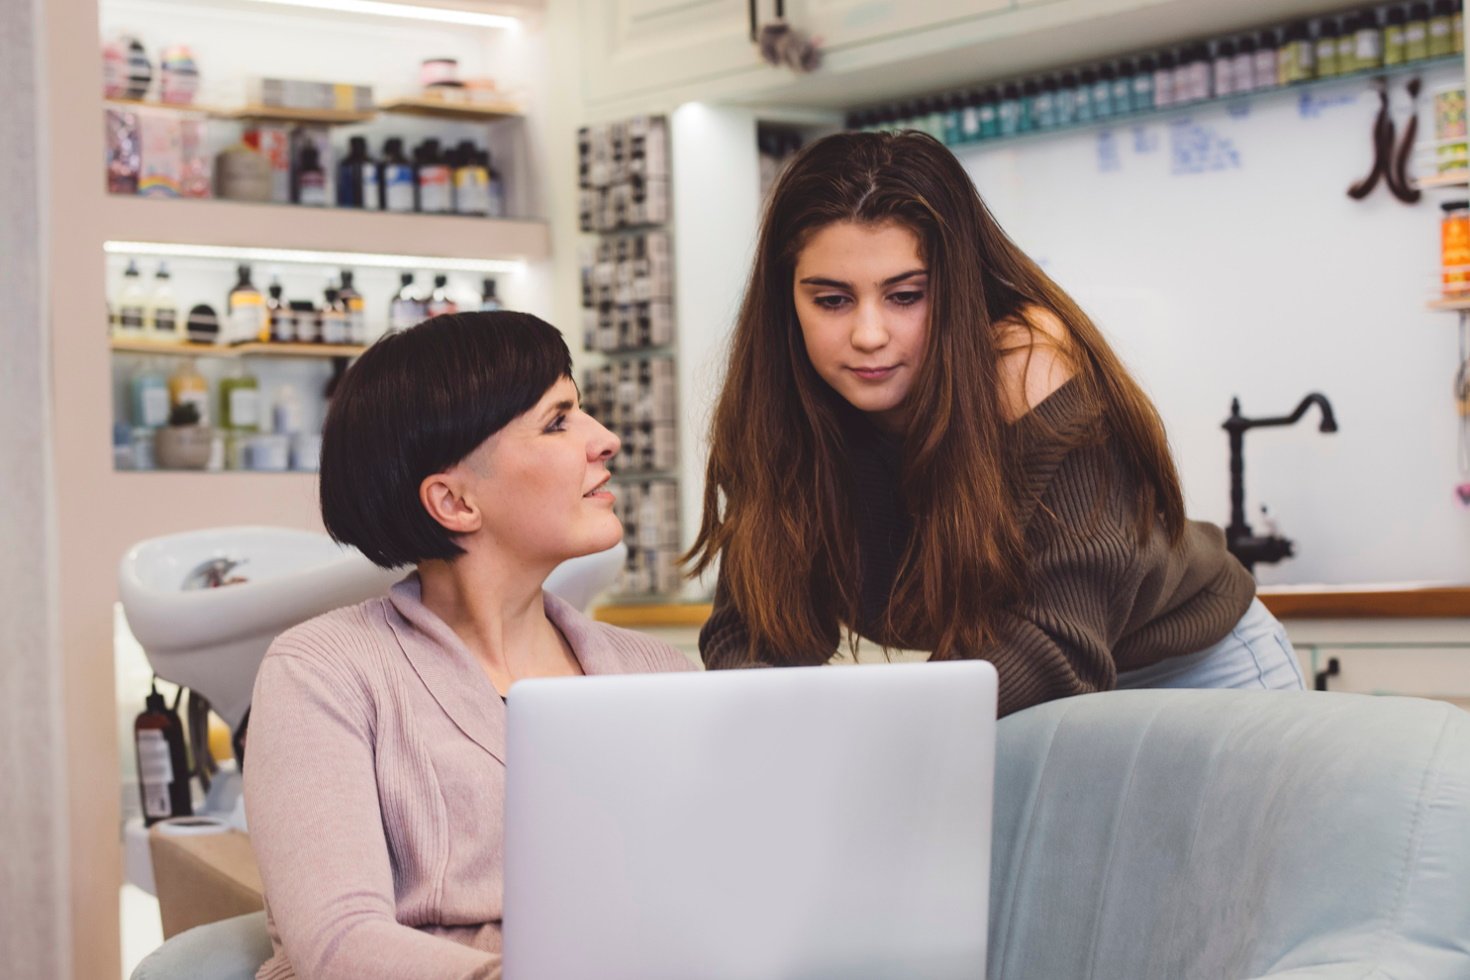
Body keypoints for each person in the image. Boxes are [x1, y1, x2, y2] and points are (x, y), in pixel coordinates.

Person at [687, 130, 1303, 716]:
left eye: (906, 296)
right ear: (786, 301)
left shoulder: (1029, 367)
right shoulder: (780, 409)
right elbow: (754, 632)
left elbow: (1050, 647)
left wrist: (868, 743)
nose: (868, 335)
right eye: (831, 300)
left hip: (1197, 672)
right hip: (1025, 691)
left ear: (955, 287)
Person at [244, 311, 692, 980]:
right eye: (558, 421)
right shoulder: (323, 674)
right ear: (454, 502)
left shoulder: (660, 675)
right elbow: (337, 942)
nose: (607, 440)